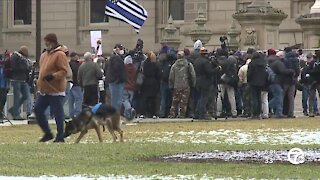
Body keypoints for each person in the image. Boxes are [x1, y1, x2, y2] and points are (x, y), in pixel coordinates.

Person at [35, 33, 69, 143]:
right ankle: (48, 133)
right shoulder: (44, 55)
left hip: (55, 90)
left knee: (57, 113)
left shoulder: (60, 55)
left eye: (48, 41)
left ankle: (60, 135)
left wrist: (53, 76)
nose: (46, 43)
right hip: (44, 90)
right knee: (38, 110)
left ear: (53, 42)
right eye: (45, 41)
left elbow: (64, 71)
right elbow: (42, 70)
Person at [168, 51, 196, 118]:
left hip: (176, 85)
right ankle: (182, 114)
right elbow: (193, 75)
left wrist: (171, 85)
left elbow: (171, 77)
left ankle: (172, 114)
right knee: (184, 101)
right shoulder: (188, 64)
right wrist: (193, 84)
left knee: (175, 101)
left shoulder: (174, 66)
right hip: (186, 85)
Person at [8, 46, 32, 120]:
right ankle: (16, 114)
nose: (27, 53)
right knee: (17, 97)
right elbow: (14, 67)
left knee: (26, 96)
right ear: (22, 51)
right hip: (16, 79)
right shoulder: (15, 56)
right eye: (26, 51)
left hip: (23, 80)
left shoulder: (24, 58)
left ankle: (13, 109)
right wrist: (25, 67)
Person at [268, 51, 294, 118]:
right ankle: (277, 112)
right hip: (277, 82)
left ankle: (268, 108)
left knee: (277, 97)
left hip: (272, 82)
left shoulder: (272, 62)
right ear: (281, 56)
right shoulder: (278, 63)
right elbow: (283, 71)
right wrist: (291, 71)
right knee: (278, 97)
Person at [193, 47, 215, 120]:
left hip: (198, 81)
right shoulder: (206, 62)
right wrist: (217, 69)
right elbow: (209, 72)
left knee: (200, 98)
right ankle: (202, 113)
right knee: (204, 98)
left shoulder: (196, 61)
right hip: (205, 81)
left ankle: (197, 113)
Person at [216, 48, 238, 118]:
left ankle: (218, 112)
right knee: (231, 97)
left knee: (219, 96)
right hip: (229, 80)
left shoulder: (217, 61)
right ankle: (234, 112)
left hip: (220, 81)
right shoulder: (230, 61)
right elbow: (233, 71)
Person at [106, 44, 127, 111]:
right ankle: (115, 115)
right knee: (117, 100)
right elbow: (117, 69)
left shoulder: (113, 57)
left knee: (116, 99)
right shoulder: (116, 58)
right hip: (116, 81)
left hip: (114, 80)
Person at [140, 51, 160, 119]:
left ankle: (143, 113)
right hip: (153, 82)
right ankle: (153, 113)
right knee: (153, 99)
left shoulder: (144, 64)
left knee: (145, 99)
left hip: (145, 82)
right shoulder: (155, 64)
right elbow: (158, 74)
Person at [247, 52, 267, 119]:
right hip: (261, 82)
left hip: (253, 82)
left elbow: (249, 73)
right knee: (259, 98)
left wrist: (248, 80)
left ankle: (254, 113)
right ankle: (259, 113)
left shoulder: (252, 63)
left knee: (254, 98)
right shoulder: (263, 63)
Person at [282, 48, 300, 118]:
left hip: (285, 80)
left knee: (282, 96)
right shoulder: (296, 59)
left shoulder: (285, 59)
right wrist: (295, 76)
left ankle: (281, 112)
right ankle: (291, 112)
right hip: (293, 80)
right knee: (291, 97)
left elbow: (283, 70)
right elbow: (298, 70)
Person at [158, 45, 175, 118]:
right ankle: (169, 113)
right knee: (170, 99)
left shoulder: (161, 61)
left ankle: (162, 113)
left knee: (163, 99)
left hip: (163, 81)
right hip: (170, 82)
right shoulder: (172, 61)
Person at [122, 51, 137, 120]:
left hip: (125, 86)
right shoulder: (134, 68)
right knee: (129, 101)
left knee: (125, 100)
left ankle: (130, 109)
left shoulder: (124, 69)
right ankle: (127, 116)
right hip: (132, 87)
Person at [68, 52, 83, 118]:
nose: (78, 57)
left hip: (70, 84)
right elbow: (78, 73)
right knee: (79, 99)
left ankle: (71, 114)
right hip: (77, 84)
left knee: (70, 100)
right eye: (77, 56)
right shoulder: (76, 65)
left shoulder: (68, 64)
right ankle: (78, 114)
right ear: (74, 56)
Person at [306, 50, 320, 117]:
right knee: (311, 97)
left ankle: (314, 111)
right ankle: (311, 111)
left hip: (316, 80)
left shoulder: (314, 63)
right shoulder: (313, 63)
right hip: (313, 81)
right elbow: (308, 70)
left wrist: (313, 72)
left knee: (312, 97)